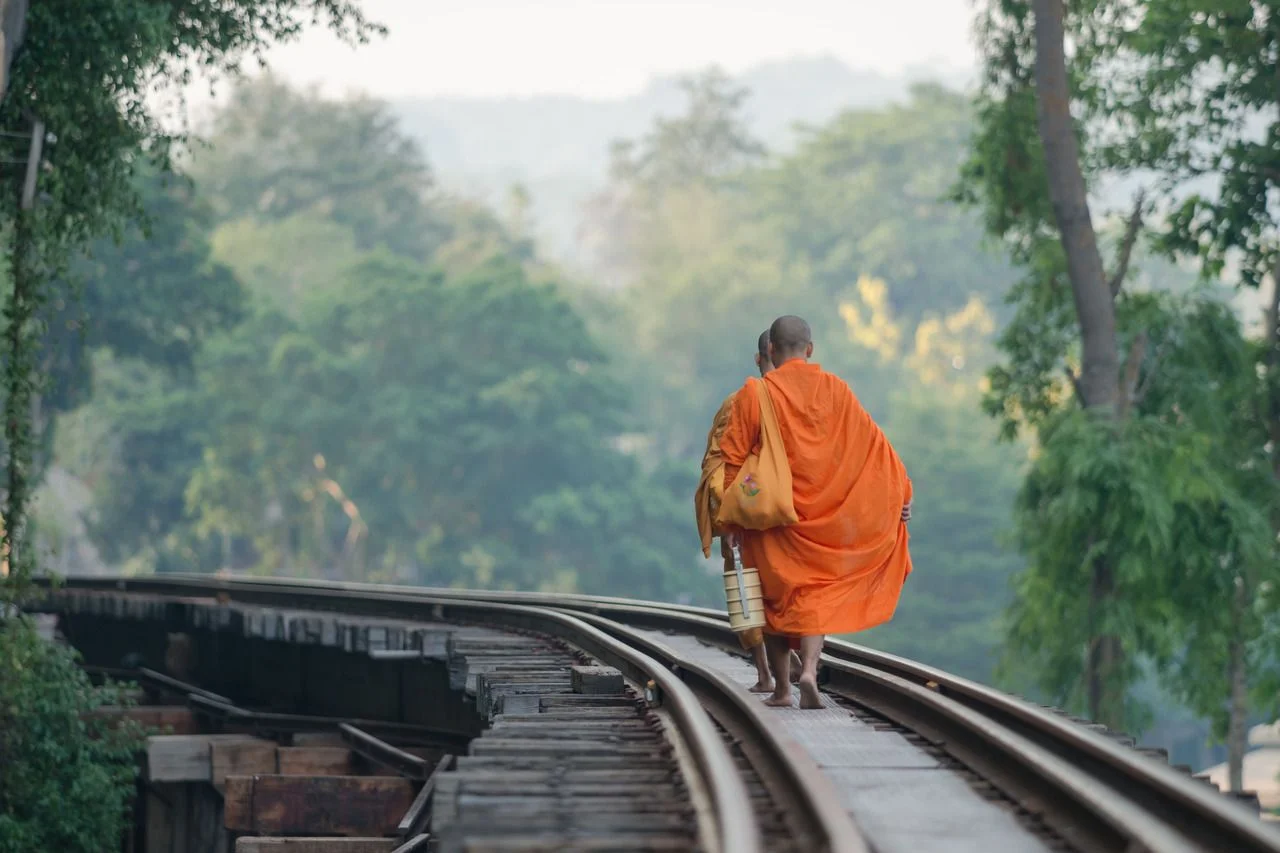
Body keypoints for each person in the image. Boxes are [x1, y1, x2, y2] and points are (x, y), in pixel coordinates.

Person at [721, 315, 912, 709]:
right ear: (810, 349)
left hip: (773, 521)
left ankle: (782, 690)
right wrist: (900, 496)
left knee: (775, 602)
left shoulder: (755, 395)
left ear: (770, 350)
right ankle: (809, 669)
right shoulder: (836, 391)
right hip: (825, 520)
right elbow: (874, 448)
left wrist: (731, 517)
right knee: (815, 597)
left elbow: (732, 462)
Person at [695, 330, 801, 692]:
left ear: (760, 357)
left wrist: (731, 511)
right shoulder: (803, 400)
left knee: (745, 587)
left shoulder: (739, 400)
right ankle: (801, 667)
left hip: (746, 509)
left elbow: (719, 462)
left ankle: (766, 674)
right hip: (794, 512)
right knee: (791, 587)